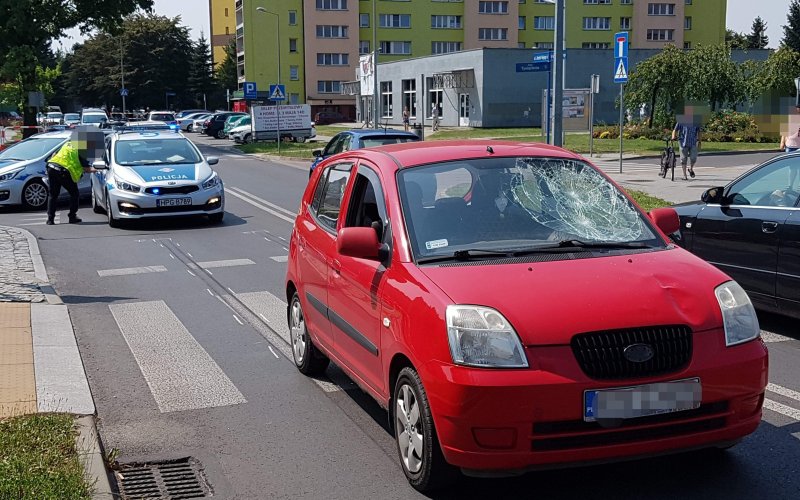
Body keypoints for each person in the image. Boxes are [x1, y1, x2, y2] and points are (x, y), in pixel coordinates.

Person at [46, 128, 100, 225]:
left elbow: (54, 154)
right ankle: (72, 216)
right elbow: (87, 169)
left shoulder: (68, 144)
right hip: (63, 172)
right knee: (74, 194)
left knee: (53, 195)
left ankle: (50, 219)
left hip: (51, 167)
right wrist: (98, 169)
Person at [671, 108, 702, 180]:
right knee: (683, 159)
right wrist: (673, 137)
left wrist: (700, 140)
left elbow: (699, 131)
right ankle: (684, 175)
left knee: (693, 158)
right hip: (682, 142)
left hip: (693, 142)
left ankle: (690, 169)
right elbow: (675, 130)